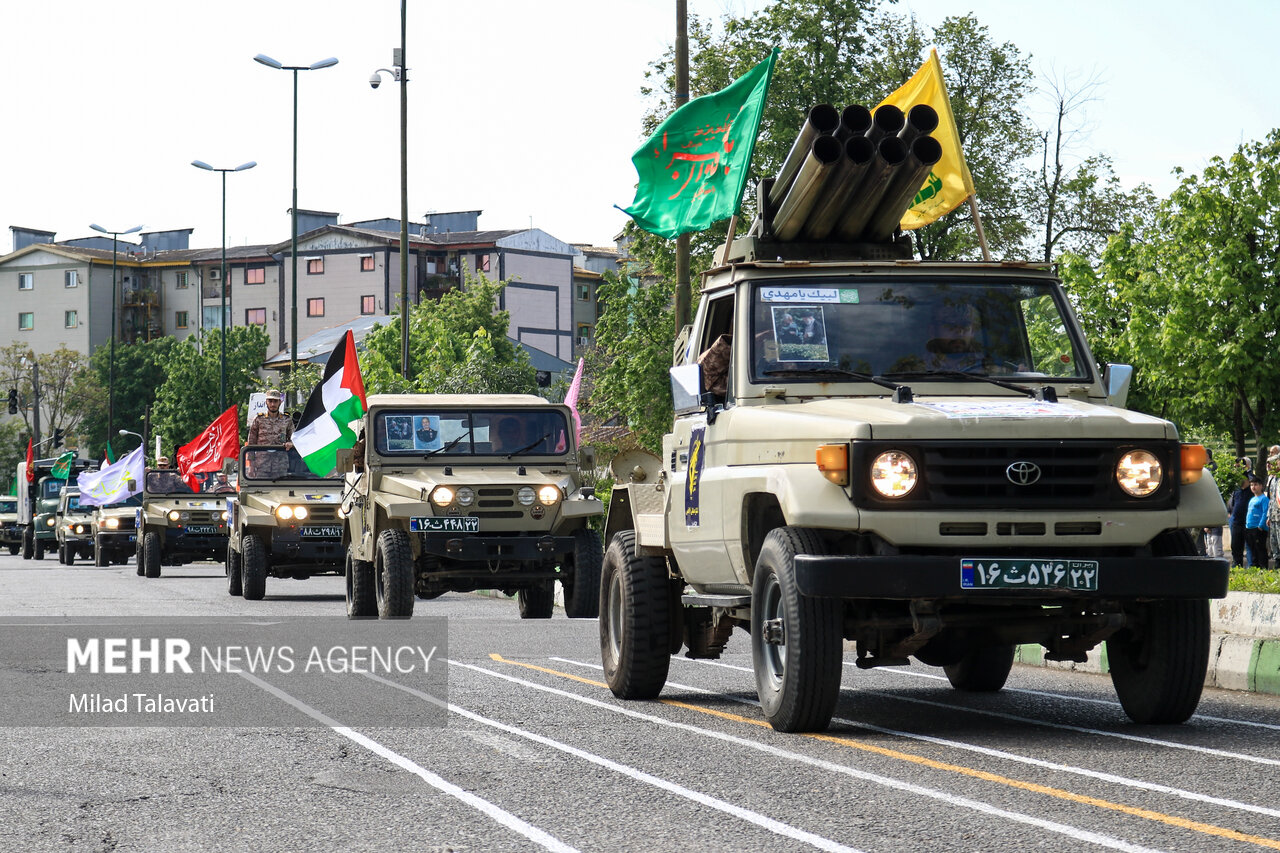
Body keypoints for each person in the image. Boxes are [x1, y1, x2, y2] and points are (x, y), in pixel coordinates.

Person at [247, 390, 293, 478]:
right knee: (261, 487)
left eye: (275, 401)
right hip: (262, 465)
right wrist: (251, 466)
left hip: (280, 465)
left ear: (280, 402)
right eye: (270, 401)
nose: (272, 404)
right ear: (266, 402)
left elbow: (294, 438)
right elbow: (251, 442)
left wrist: (291, 443)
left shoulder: (286, 419)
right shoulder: (259, 419)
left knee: (282, 487)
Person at [1244, 474, 1270, 569]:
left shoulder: (1264, 499)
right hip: (1249, 528)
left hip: (1258, 529)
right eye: (1251, 485)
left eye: (1255, 484)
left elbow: (1265, 513)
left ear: (1261, 486)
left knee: (1260, 549)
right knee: (1252, 550)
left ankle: (1263, 568)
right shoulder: (1252, 499)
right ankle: (1255, 568)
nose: (1253, 487)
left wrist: (1260, 526)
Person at [1227, 475, 1251, 569]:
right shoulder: (1236, 490)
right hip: (1236, 522)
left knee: (1249, 546)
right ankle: (1237, 564)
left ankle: (1251, 565)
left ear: (1247, 480)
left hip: (1247, 523)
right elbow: (1231, 503)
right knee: (1235, 545)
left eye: (1242, 479)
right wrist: (1229, 512)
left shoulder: (1251, 491)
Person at [1267, 445, 1280, 569]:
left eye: (1273, 463)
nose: (1271, 466)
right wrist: (1268, 516)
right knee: (1274, 544)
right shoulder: (1273, 479)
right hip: (1273, 517)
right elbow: (1271, 500)